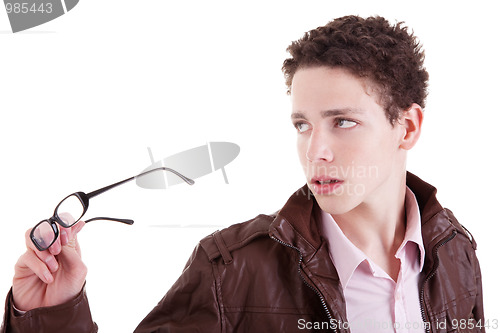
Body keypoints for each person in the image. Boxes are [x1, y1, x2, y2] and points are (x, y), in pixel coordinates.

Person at [1, 15, 484, 333]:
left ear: (408, 126)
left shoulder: (456, 253)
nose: (315, 150)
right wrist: (52, 313)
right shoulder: (231, 270)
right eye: (302, 125)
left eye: (343, 122)